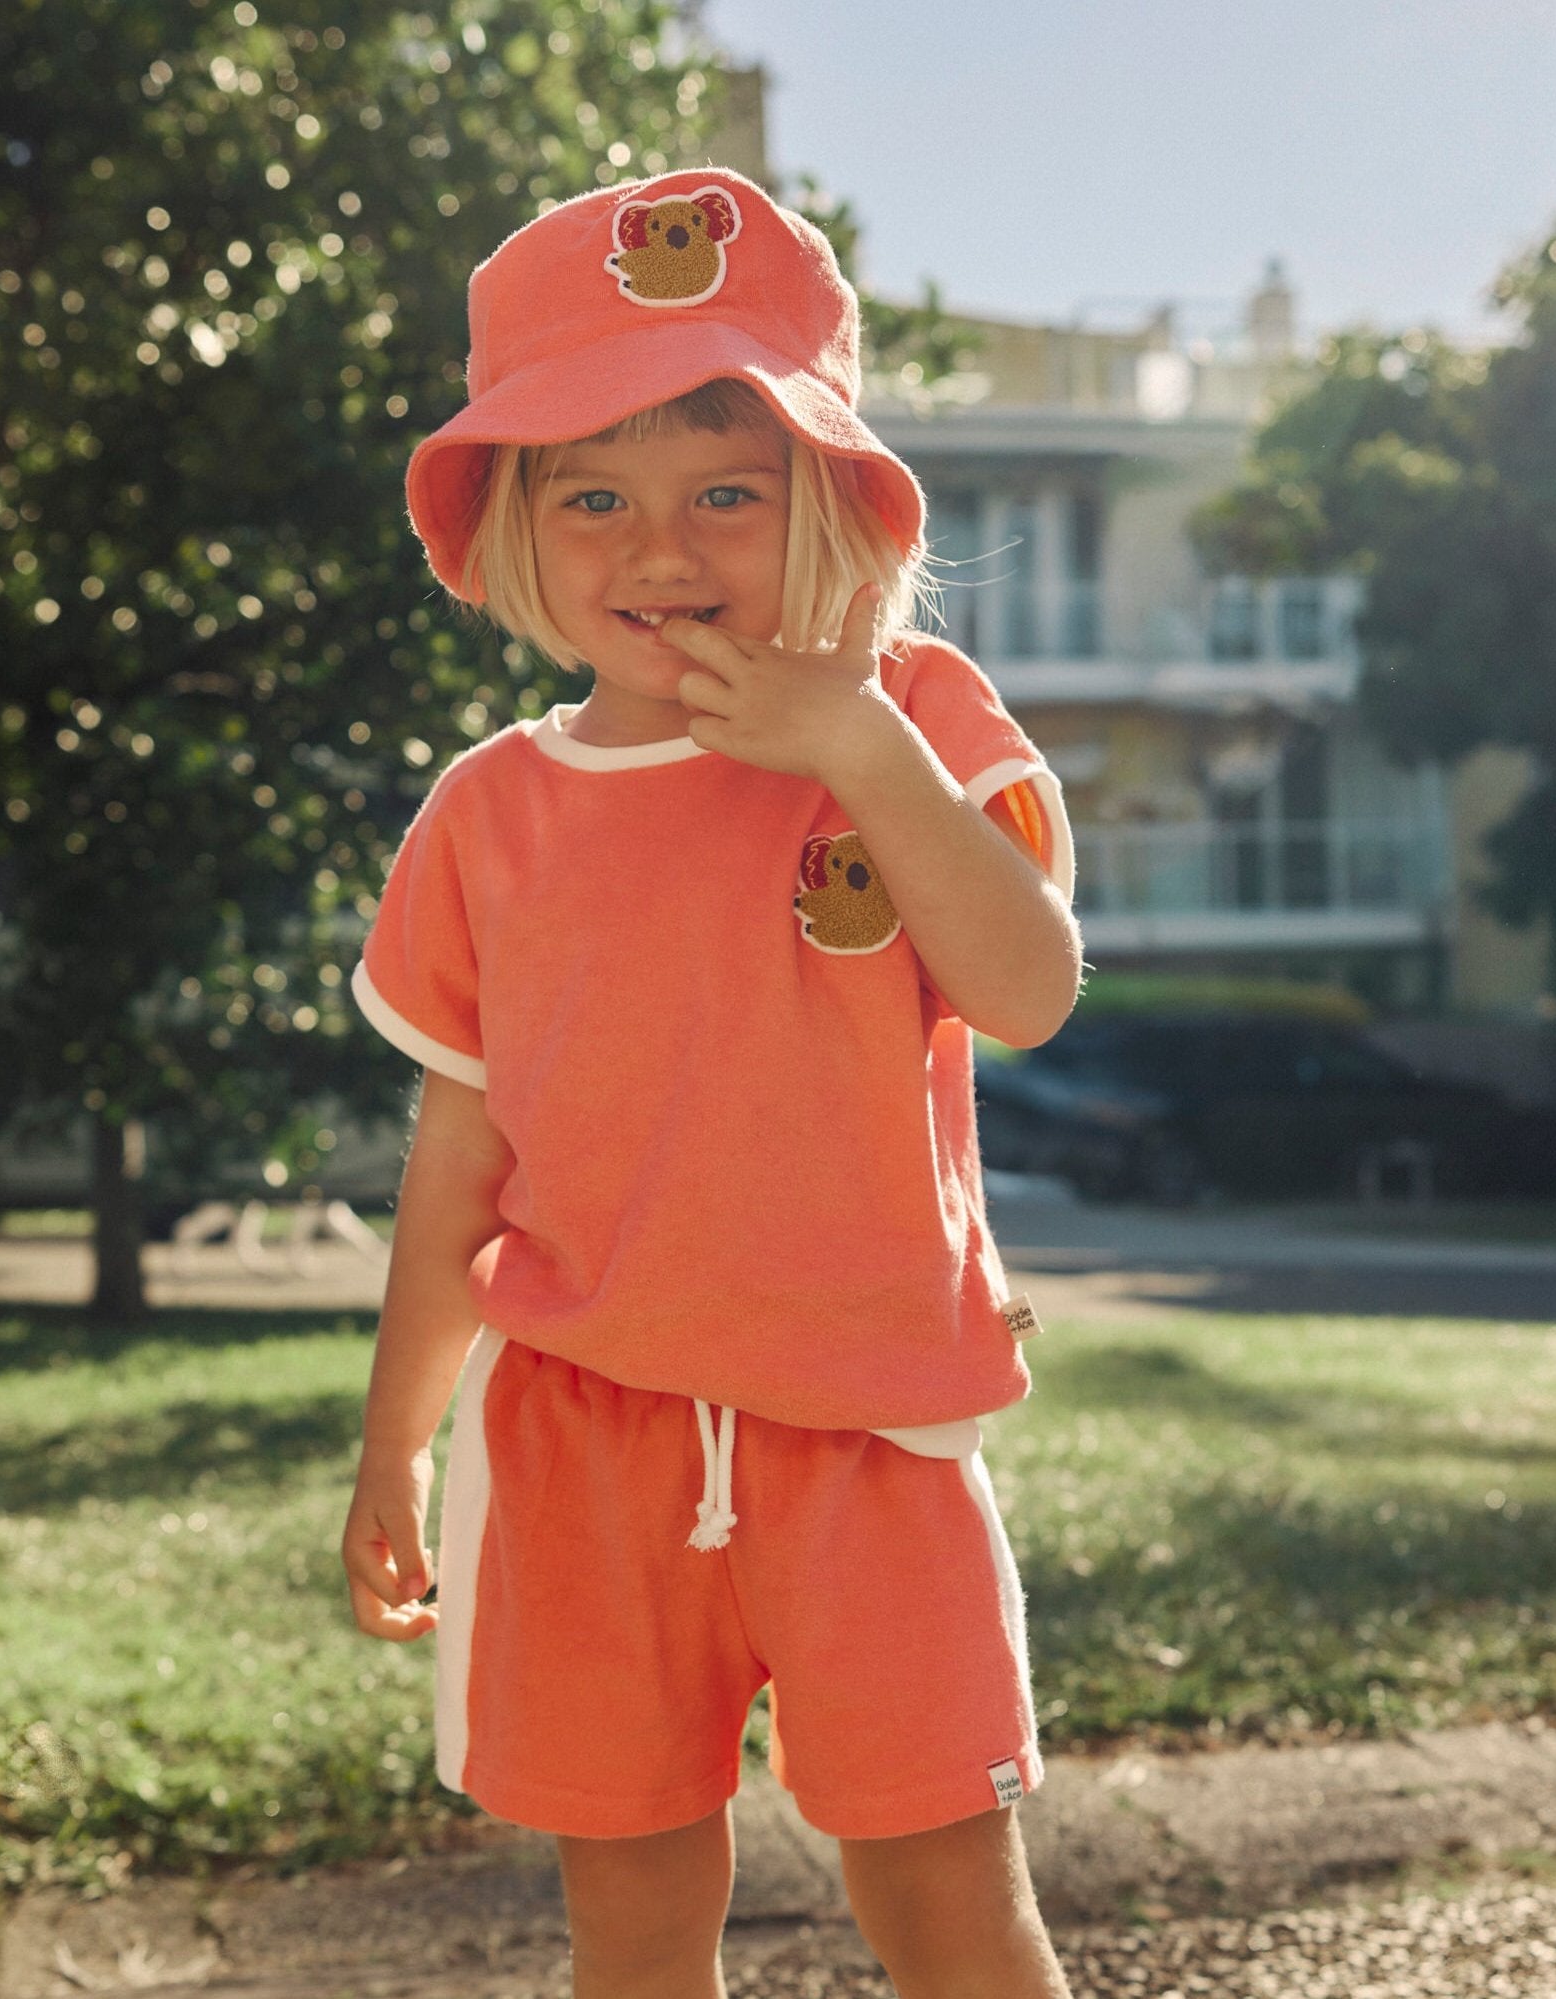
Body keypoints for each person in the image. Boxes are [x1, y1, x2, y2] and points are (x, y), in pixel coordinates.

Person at [339, 165, 1083, 1999]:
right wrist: (394, 1439)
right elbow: (459, 1167)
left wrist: (863, 748)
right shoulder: (490, 819)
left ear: (826, 499)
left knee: (948, 1899)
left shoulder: (915, 719)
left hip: (873, 1430)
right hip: (583, 1441)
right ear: (514, 528)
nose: (659, 553)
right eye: (593, 497)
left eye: (722, 493)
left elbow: (1030, 989)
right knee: (638, 1923)